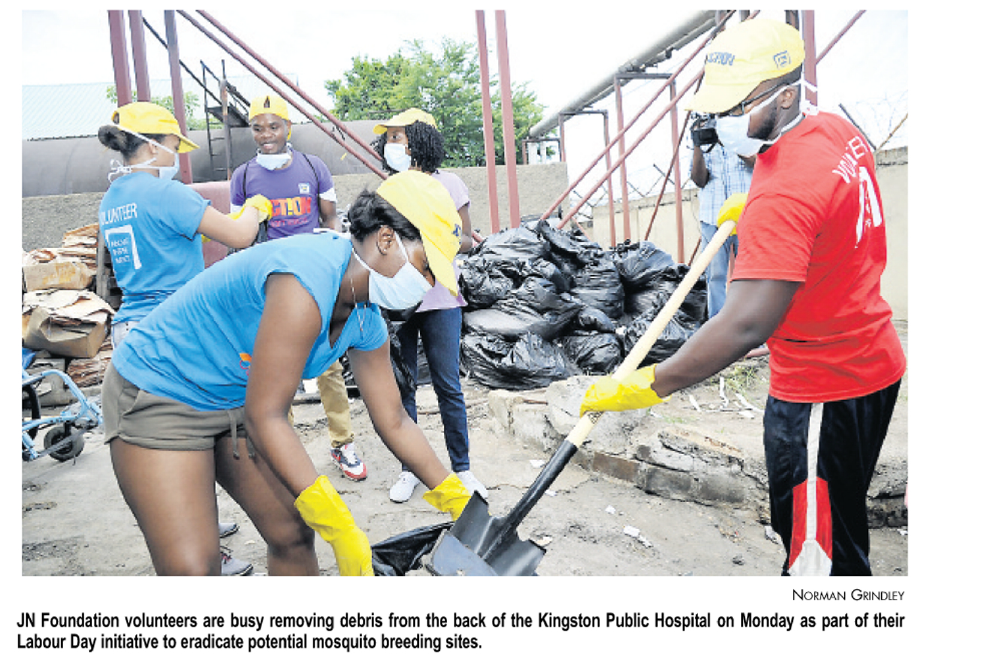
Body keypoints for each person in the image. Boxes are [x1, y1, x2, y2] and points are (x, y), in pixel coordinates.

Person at [580, 18, 906, 577]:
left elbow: (746, 324)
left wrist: (653, 383)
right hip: (874, 362)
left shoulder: (783, 192)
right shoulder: (837, 132)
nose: (720, 121)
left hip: (821, 391)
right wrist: (757, 199)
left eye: (735, 107)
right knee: (841, 524)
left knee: (818, 562)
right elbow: (827, 212)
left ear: (784, 95)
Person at [101, 169, 473, 576]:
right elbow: (267, 416)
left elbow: (396, 421)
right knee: (194, 569)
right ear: (386, 240)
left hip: (236, 399)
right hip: (161, 391)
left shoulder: (366, 320)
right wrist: (339, 524)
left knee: (293, 535)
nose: (429, 283)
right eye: (426, 267)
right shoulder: (304, 280)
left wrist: (455, 497)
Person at [98, 101, 270, 576]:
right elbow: (237, 236)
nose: (178, 155)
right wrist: (254, 209)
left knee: (168, 452)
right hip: (174, 334)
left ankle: (204, 533)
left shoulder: (113, 198)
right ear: (155, 146)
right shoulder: (166, 194)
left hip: (132, 330)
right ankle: (206, 549)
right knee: (197, 435)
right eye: (175, 145)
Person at [230, 94, 367, 482]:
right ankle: (282, 449)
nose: (266, 135)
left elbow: (331, 220)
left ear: (288, 128)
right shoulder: (242, 177)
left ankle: (343, 443)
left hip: (314, 280)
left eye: (274, 126)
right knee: (275, 369)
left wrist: (335, 264)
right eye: (258, 128)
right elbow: (242, 233)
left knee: (327, 365)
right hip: (271, 285)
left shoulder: (314, 166)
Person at [370, 109, 486, 503]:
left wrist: (442, 239)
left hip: (440, 300)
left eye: (400, 137)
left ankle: (463, 468)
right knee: (404, 388)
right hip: (399, 302)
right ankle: (410, 470)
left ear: (421, 140)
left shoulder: (449, 184)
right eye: (389, 139)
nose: (392, 145)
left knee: (448, 386)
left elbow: (466, 239)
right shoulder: (388, 189)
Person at [690, 139, 753, 319]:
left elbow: (759, 163)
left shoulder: (744, 130)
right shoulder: (704, 135)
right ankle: (718, 325)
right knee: (715, 277)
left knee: (751, 274)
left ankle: (751, 324)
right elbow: (699, 179)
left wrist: (730, 139)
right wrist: (698, 144)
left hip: (746, 214)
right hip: (713, 216)